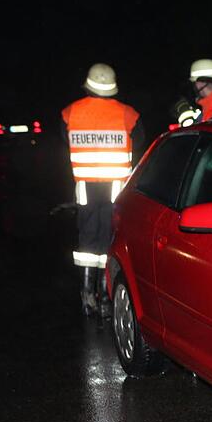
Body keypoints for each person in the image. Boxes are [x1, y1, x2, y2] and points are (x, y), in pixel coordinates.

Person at [61, 63, 142, 316]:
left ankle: (87, 296)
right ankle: (107, 296)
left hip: (86, 185)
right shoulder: (128, 114)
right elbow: (139, 142)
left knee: (87, 239)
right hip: (115, 185)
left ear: (88, 85)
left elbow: (64, 139)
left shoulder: (70, 112)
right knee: (110, 238)